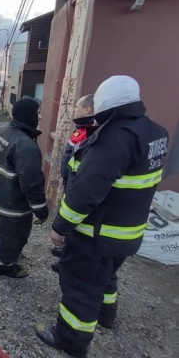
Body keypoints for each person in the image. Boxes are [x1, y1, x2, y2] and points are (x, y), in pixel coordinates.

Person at [36, 75, 168, 358]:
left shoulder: (114, 138)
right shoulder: (156, 133)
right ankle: (107, 316)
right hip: (127, 232)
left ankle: (69, 340)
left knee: (80, 287)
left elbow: (86, 191)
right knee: (106, 276)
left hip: (97, 233)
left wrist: (60, 227)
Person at [0, 98, 49, 278]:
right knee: (15, 235)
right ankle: (2, 264)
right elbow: (31, 182)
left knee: (7, 230)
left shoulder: (1, 133)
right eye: (38, 112)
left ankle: (8, 254)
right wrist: (41, 209)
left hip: (0, 195)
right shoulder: (25, 146)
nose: (39, 116)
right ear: (29, 114)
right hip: (13, 202)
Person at [51, 94, 96, 271]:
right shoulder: (82, 129)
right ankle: (65, 251)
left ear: (88, 109)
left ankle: (67, 261)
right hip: (70, 182)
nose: (74, 110)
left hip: (77, 185)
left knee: (74, 221)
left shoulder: (91, 131)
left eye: (77, 107)